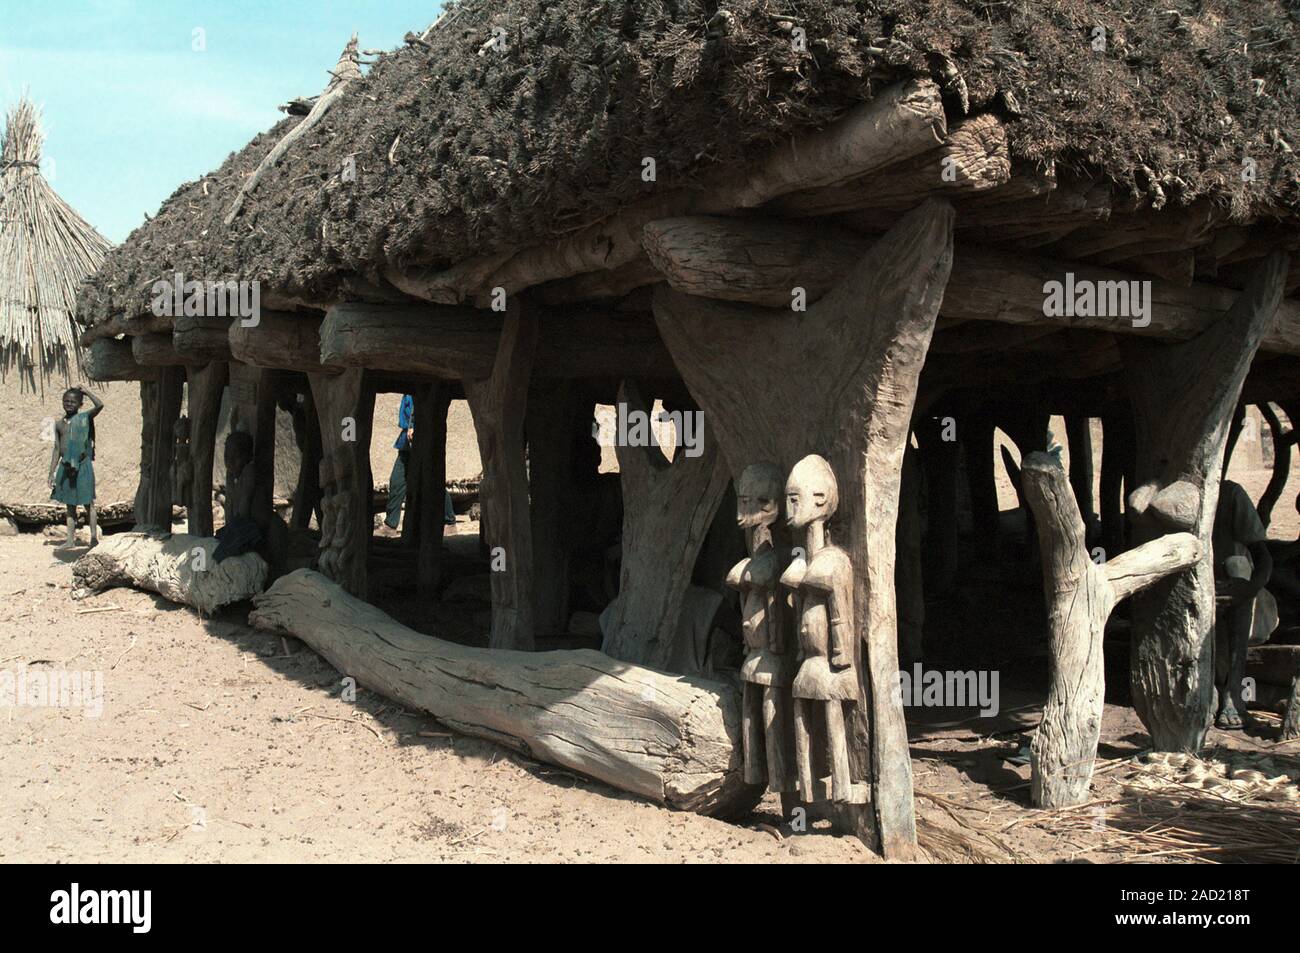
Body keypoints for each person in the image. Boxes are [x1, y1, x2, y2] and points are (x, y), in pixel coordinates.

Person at [1213, 480, 1275, 729]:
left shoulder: (1229, 495)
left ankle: (1233, 695)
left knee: (1237, 565)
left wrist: (1244, 592)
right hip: (1196, 588)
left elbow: (1263, 557)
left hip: (1235, 593)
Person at [48, 384, 104, 551]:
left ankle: (93, 538)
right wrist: (51, 472)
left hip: (83, 466)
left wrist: (86, 392)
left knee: (88, 504)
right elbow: (57, 449)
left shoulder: (85, 418)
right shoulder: (58, 425)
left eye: (73, 401)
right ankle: (70, 540)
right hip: (66, 467)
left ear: (80, 404)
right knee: (70, 506)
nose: (69, 404)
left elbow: (100, 405)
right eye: (66, 401)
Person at [384, 394, 415, 530]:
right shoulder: (407, 394)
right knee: (396, 481)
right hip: (405, 442)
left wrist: (414, 425)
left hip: (416, 439)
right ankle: (391, 524)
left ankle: (449, 520)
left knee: (429, 481)